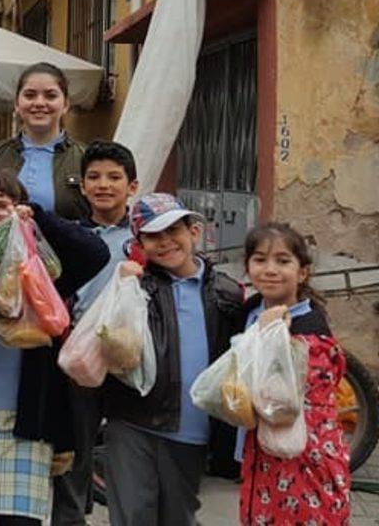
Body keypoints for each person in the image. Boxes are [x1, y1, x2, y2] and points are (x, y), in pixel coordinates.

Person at [0, 168, 108, 526]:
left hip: (27, 422)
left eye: (3, 205)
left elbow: (94, 253)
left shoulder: (41, 271)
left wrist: (37, 215)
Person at [102, 194, 244, 526]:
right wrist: (123, 287)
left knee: (179, 517)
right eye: (153, 235)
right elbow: (109, 347)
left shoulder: (226, 292)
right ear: (138, 242)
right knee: (133, 516)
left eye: (173, 230)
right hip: (133, 422)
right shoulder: (134, 287)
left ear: (193, 231)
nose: (165, 242)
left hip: (192, 431)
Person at [237, 223, 350, 523]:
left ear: (302, 272)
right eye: (260, 259)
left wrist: (272, 335)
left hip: (304, 454)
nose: (270, 269)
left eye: (283, 260)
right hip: (260, 453)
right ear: (247, 268)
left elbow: (284, 401)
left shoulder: (311, 332)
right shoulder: (248, 314)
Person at [53, 140, 140, 525]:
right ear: (82, 187)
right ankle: (71, 517)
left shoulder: (144, 238)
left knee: (128, 449)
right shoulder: (68, 235)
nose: (104, 185)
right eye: (94, 177)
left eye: (114, 177)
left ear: (132, 187)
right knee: (76, 448)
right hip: (80, 354)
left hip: (131, 353)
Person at [0, 63, 87, 221]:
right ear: (17, 104)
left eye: (50, 96)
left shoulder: (84, 158)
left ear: (66, 104)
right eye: (30, 95)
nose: (39, 103)